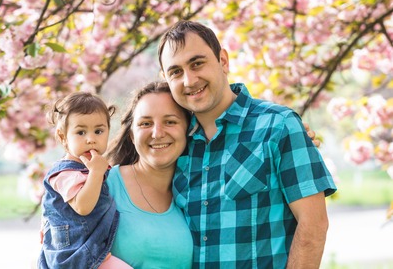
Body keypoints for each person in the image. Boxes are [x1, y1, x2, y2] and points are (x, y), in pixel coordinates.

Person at [157, 20, 337, 268]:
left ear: (223, 60)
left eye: (197, 63)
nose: (189, 80)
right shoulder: (171, 143)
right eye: (175, 72)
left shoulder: (278, 126)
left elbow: (313, 226)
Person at [105, 81, 194, 268]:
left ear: (187, 129)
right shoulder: (103, 185)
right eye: (146, 123)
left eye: (170, 121)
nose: (157, 133)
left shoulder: (195, 192)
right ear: (132, 135)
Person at [38, 92, 131, 269]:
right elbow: (83, 206)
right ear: (62, 137)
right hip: (75, 257)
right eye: (80, 132)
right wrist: (96, 173)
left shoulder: (93, 168)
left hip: (92, 250)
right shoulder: (66, 173)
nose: (91, 139)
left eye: (99, 131)